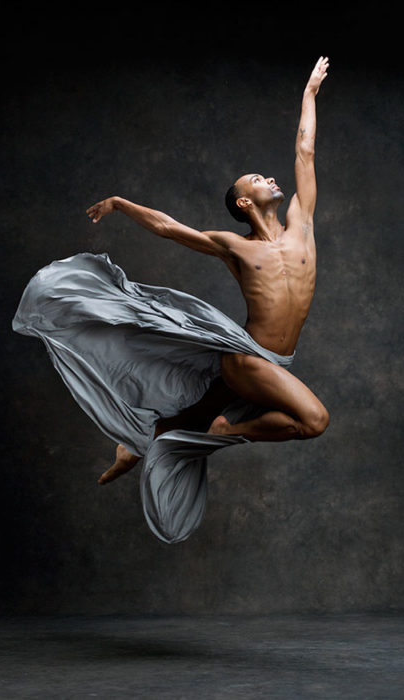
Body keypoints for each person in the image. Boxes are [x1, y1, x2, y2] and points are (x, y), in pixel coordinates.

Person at [86, 56, 331, 485]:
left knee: (192, 413)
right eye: (257, 179)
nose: (270, 178)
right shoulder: (233, 245)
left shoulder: (302, 223)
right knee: (314, 420)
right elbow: (168, 227)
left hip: (275, 361)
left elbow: (304, 152)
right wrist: (121, 204)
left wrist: (309, 93)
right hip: (247, 357)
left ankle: (133, 447)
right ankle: (228, 431)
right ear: (244, 202)